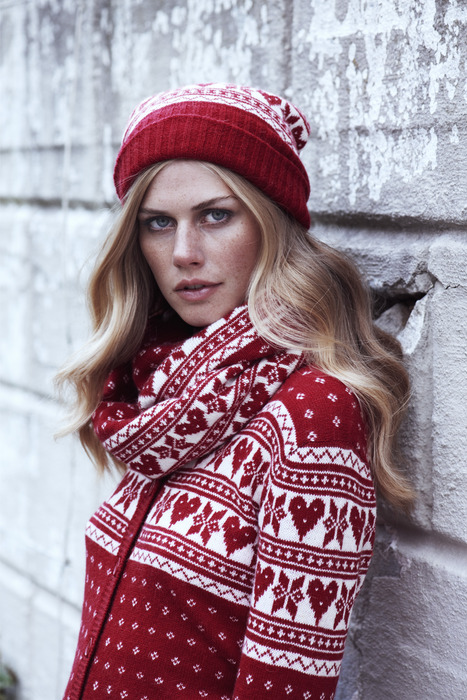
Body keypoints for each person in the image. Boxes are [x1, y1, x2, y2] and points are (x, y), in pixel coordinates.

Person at [57, 83, 413, 700]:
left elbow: (286, 687)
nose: (183, 253)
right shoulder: (164, 396)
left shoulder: (313, 416)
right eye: (157, 223)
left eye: (216, 215)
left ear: (272, 224)